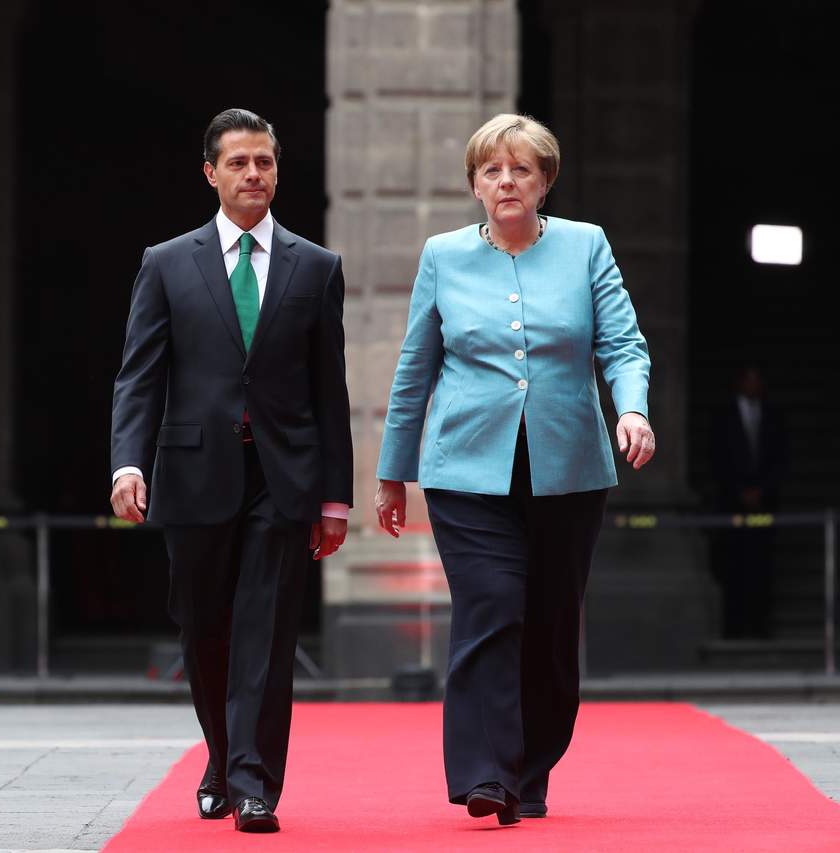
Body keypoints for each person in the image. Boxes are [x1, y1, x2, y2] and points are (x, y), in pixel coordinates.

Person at [374, 114, 654, 824]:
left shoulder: (586, 245)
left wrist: (632, 409)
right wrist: (392, 472)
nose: (506, 181)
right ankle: (485, 772)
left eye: (521, 169)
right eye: (492, 170)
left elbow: (623, 344)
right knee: (492, 605)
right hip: (465, 471)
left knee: (552, 626)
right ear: (474, 184)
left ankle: (530, 767)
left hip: (569, 470)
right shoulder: (443, 256)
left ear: (545, 181)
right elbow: (415, 368)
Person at [109, 108, 353, 833]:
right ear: (210, 173)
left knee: (266, 630)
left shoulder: (316, 266)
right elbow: (140, 375)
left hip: (284, 476)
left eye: (265, 162)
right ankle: (221, 754)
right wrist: (127, 461)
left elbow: (329, 391)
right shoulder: (166, 262)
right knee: (203, 627)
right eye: (239, 162)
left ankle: (254, 782)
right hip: (192, 471)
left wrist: (335, 498)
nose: (253, 174)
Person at [709, 366, 787, 638]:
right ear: (739, 383)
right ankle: (735, 627)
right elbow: (718, 458)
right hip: (732, 505)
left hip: (764, 504)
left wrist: (761, 490)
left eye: (757, 380)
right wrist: (739, 491)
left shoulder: (773, 416)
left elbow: (779, 458)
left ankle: (761, 627)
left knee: (762, 567)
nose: (753, 386)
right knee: (734, 567)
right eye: (748, 380)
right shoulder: (724, 418)